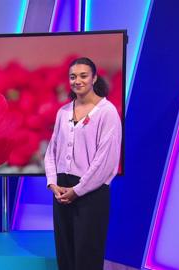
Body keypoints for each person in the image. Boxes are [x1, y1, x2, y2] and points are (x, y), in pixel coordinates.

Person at [44, 57, 122, 270]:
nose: (77, 80)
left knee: (87, 255)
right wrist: (52, 183)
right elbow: (52, 151)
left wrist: (78, 190)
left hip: (91, 192)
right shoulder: (63, 112)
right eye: (73, 76)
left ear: (94, 78)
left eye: (83, 75)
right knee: (65, 252)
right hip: (62, 190)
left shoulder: (107, 112)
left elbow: (105, 161)